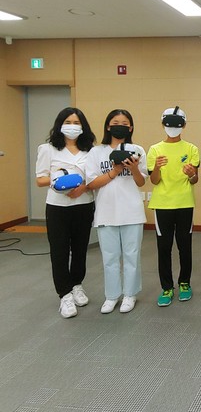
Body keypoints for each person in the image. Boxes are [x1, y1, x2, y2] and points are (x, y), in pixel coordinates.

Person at [36, 107, 96, 318]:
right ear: (60, 125)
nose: (72, 126)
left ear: (83, 126)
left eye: (76, 123)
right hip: (57, 207)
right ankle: (65, 294)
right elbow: (40, 179)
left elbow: (94, 177)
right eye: (68, 122)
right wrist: (60, 181)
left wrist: (83, 187)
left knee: (80, 249)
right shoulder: (48, 149)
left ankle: (77, 284)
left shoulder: (90, 151)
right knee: (59, 251)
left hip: (84, 204)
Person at [86, 109, 147, 314]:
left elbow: (141, 182)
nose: (120, 126)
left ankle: (130, 294)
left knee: (132, 255)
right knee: (109, 257)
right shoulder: (96, 152)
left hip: (132, 211)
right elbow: (92, 183)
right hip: (106, 211)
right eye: (115, 122)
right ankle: (111, 296)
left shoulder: (137, 149)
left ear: (131, 127)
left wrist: (134, 168)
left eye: (124, 123)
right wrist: (115, 171)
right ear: (108, 126)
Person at [146, 107, 200, 307]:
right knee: (164, 247)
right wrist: (157, 167)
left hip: (184, 203)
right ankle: (167, 287)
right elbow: (154, 180)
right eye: (169, 124)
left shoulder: (191, 149)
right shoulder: (155, 149)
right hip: (162, 204)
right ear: (163, 124)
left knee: (185, 246)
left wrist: (191, 174)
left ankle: (185, 283)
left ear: (184, 125)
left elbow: (194, 180)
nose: (173, 127)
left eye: (177, 124)